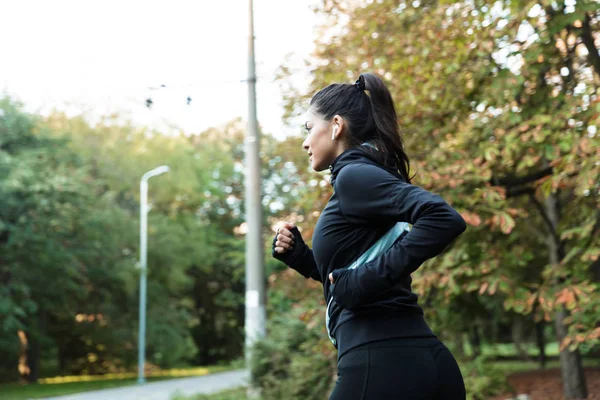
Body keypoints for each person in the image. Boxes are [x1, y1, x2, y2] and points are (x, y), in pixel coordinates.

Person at [272, 73, 467, 400]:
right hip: (418, 361)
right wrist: (302, 258)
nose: (305, 142)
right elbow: (351, 275)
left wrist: (363, 279)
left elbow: (443, 219)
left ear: (336, 126)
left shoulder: (354, 177)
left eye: (308, 129)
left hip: (383, 363)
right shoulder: (366, 178)